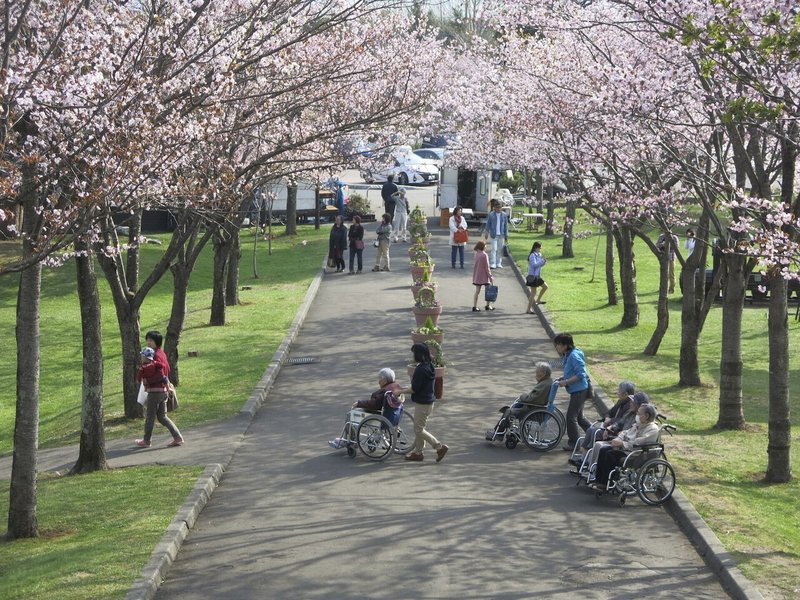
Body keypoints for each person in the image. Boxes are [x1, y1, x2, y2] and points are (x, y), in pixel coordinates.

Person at [590, 403, 660, 490]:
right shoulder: (638, 424)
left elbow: (639, 443)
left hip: (636, 454)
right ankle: (599, 481)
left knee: (610, 454)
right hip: (627, 450)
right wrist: (618, 440)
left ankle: (606, 483)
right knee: (603, 449)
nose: (637, 415)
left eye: (639, 413)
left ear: (646, 416)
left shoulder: (652, 429)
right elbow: (625, 432)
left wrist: (622, 443)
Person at [400, 344, 448, 463]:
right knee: (420, 428)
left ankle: (439, 447)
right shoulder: (429, 366)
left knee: (418, 430)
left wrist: (399, 391)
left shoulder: (420, 369)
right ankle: (418, 453)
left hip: (422, 404)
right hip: (429, 402)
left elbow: (414, 389)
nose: (413, 356)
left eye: (414, 353)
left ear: (419, 355)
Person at [135, 346, 183, 448]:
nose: (141, 358)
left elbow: (138, 379)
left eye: (142, 356)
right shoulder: (157, 365)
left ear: (145, 357)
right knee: (162, 417)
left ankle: (146, 441)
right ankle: (177, 437)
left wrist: (141, 375)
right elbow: (163, 377)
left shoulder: (144, 367)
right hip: (163, 393)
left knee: (150, 418)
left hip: (153, 394)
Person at [554, 332, 591, 451]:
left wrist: (566, 382)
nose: (557, 347)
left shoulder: (574, 356)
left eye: (558, 345)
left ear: (565, 345)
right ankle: (595, 434)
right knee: (579, 418)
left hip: (579, 391)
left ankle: (574, 443)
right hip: (578, 390)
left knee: (571, 417)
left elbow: (581, 374)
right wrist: (563, 378)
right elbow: (572, 371)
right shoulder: (568, 355)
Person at [580, 381, 637, 452]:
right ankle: (585, 454)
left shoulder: (630, 407)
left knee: (593, 431)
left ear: (625, 394)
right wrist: (607, 418)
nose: (617, 393)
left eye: (619, 391)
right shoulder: (620, 401)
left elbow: (622, 421)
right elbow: (610, 412)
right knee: (591, 430)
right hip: (610, 428)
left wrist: (610, 421)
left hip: (617, 432)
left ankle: (587, 454)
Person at [496, 362, 553, 430]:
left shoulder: (544, 384)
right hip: (537, 408)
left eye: (537, 372)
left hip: (533, 411)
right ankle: (499, 431)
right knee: (512, 408)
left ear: (544, 373)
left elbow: (531, 399)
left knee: (508, 411)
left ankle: (499, 433)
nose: (536, 374)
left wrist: (522, 396)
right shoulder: (548, 381)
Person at [483, 199, 509, 269]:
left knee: (500, 249)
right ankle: (493, 263)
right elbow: (488, 224)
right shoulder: (491, 215)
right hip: (493, 234)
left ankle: (498, 263)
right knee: (494, 248)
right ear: (494, 207)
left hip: (501, 234)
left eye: (500, 207)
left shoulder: (504, 215)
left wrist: (506, 235)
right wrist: (486, 232)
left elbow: (506, 225)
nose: (498, 209)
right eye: (497, 207)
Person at [525, 241, 548, 313]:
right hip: (532, 276)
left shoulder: (538, 255)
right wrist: (542, 261)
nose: (540, 249)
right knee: (533, 293)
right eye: (539, 248)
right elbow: (534, 265)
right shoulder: (532, 255)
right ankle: (528, 309)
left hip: (537, 276)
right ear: (535, 248)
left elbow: (539, 265)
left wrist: (544, 262)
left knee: (545, 287)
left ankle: (538, 300)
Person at [471, 240, 494, 311]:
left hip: (477, 275)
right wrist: (490, 276)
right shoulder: (484, 255)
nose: (486, 246)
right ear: (482, 246)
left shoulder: (476, 254)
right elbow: (487, 267)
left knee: (477, 291)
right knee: (488, 290)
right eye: (485, 245)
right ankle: (488, 305)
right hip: (485, 276)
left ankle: (475, 306)